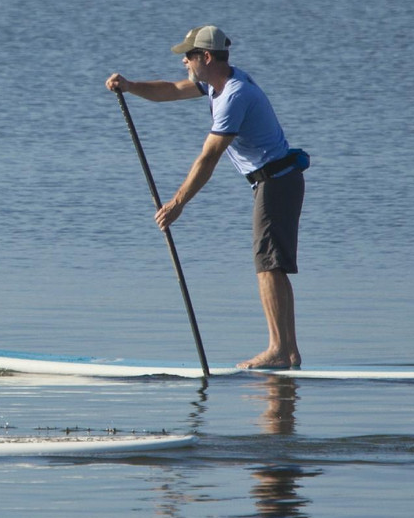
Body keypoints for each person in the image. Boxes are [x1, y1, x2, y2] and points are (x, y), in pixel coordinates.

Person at [106, 25, 306, 369]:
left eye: (189, 55)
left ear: (207, 57)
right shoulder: (217, 84)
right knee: (272, 266)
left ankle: (280, 350)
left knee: (268, 267)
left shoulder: (233, 95)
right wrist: (130, 86)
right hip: (277, 181)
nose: (184, 61)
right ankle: (287, 351)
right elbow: (170, 90)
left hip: (276, 182)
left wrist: (177, 203)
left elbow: (208, 157)